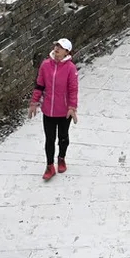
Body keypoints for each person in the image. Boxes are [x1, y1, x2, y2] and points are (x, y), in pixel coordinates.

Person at [28, 38, 79, 181]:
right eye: (56, 45)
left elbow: (73, 89)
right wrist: (34, 102)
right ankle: (50, 166)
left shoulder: (70, 68)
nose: (57, 49)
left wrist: (72, 107)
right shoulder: (45, 65)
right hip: (48, 111)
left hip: (64, 112)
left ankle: (61, 158)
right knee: (49, 139)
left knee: (63, 137)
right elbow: (39, 85)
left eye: (60, 47)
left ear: (67, 52)